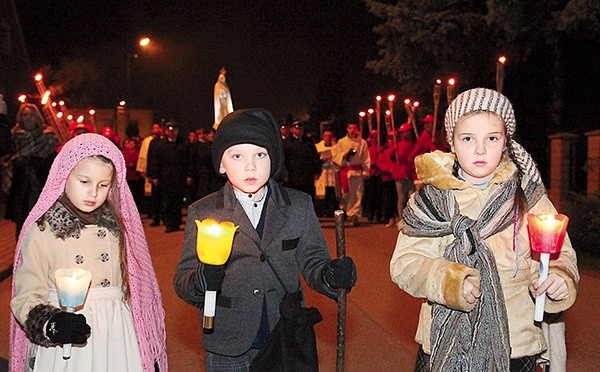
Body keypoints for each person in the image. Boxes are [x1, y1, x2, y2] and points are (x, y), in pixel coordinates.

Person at [390, 88, 579, 372]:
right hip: (443, 343)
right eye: (468, 139)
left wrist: (558, 277)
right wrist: (449, 282)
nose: (480, 150)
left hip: (517, 343)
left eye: (492, 138)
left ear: (505, 142)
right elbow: (405, 264)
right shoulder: (431, 200)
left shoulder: (529, 196)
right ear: (452, 143)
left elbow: (560, 252)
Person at [173, 108, 357, 370]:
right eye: (237, 156)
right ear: (222, 164)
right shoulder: (204, 212)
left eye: (260, 154)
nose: (250, 166)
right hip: (228, 340)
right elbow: (183, 278)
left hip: (283, 336)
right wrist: (198, 282)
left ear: (274, 159)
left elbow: (314, 261)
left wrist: (331, 276)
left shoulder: (298, 206)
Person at [9, 133, 167, 372]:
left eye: (103, 185)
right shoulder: (43, 230)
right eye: (84, 181)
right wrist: (51, 323)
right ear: (64, 176)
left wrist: (145, 338)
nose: (93, 193)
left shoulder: (119, 231)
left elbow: (134, 288)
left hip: (116, 334)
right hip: (66, 333)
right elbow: (26, 294)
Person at [6, 103, 60, 239]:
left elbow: (54, 164)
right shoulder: (14, 137)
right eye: (25, 115)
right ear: (21, 118)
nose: (29, 118)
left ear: (37, 117)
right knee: (22, 222)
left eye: (31, 115)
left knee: (42, 221)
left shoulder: (48, 137)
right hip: (22, 186)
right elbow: (7, 160)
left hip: (41, 184)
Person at [147, 121, 191, 233]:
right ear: (166, 131)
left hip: (179, 177)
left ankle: (176, 222)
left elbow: (189, 162)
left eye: (174, 130)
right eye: (169, 130)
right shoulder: (161, 145)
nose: (172, 132)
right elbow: (156, 162)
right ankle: (169, 224)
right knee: (167, 202)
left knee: (177, 201)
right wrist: (155, 176)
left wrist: (189, 175)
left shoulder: (184, 144)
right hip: (165, 178)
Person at [333, 122, 370, 226]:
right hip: (346, 171)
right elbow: (335, 155)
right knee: (346, 194)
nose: (352, 130)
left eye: (354, 128)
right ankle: (344, 211)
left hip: (357, 171)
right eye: (350, 128)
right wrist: (344, 155)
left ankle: (355, 215)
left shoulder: (362, 142)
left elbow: (366, 158)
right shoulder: (341, 142)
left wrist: (366, 171)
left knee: (358, 194)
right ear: (347, 129)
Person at [283, 121, 322, 200]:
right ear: (292, 130)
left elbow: (314, 156)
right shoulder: (286, 143)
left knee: (309, 197)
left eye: (301, 128)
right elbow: (284, 159)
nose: (299, 130)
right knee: (295, 198)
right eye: (296, 128)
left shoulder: (308, 141)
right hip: (294, 176)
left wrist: (317, 170)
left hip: (308, 176)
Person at [314, 129, 340, 217]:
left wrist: (333, 158)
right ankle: (321, 212)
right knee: (321, 193)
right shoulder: (318, 146)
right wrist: (322, 159)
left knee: (332, 192)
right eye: (326, 136)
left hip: (332, 171)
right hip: (323, 171)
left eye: (330, 136)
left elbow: (339, 158)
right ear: (323, 137)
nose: (328, 138)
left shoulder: (336, 147)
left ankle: (331, 211)